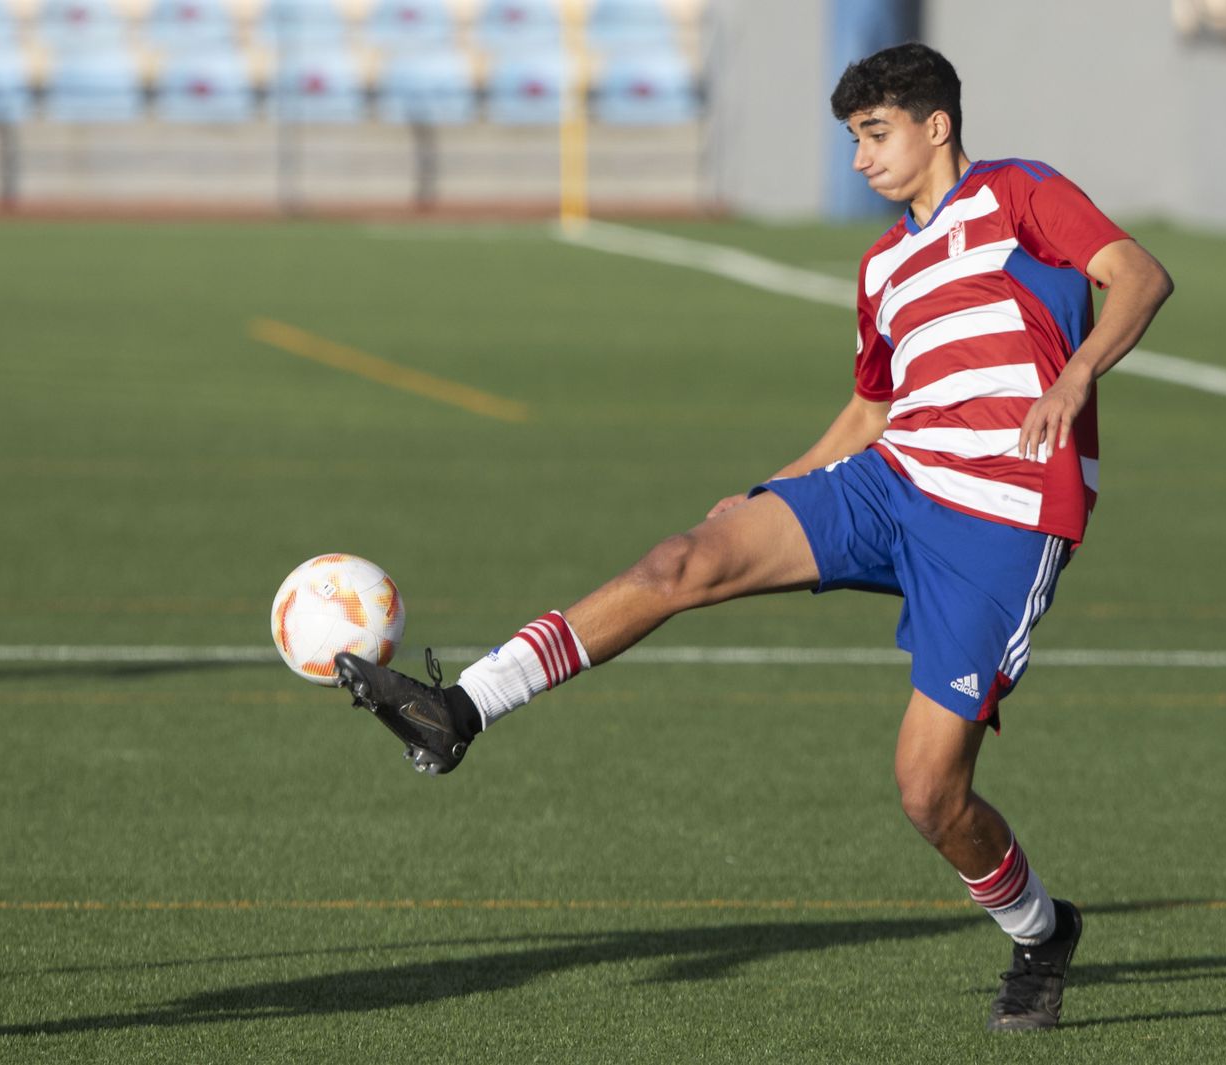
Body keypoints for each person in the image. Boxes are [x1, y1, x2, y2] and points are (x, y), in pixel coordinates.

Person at [334, 41, 1173, 1033]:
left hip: (1001, 520)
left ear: (934, 125)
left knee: (926, 793)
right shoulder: (883, 267)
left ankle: (1039, 931)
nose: (861, 158)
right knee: (681, 559)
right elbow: (869, 413)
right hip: (891, 479)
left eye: (875, 133)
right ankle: (461, 709)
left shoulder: (1020, 195)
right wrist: (766, 493)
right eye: (852, 139)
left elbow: (1139, 276)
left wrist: (1075, 378)